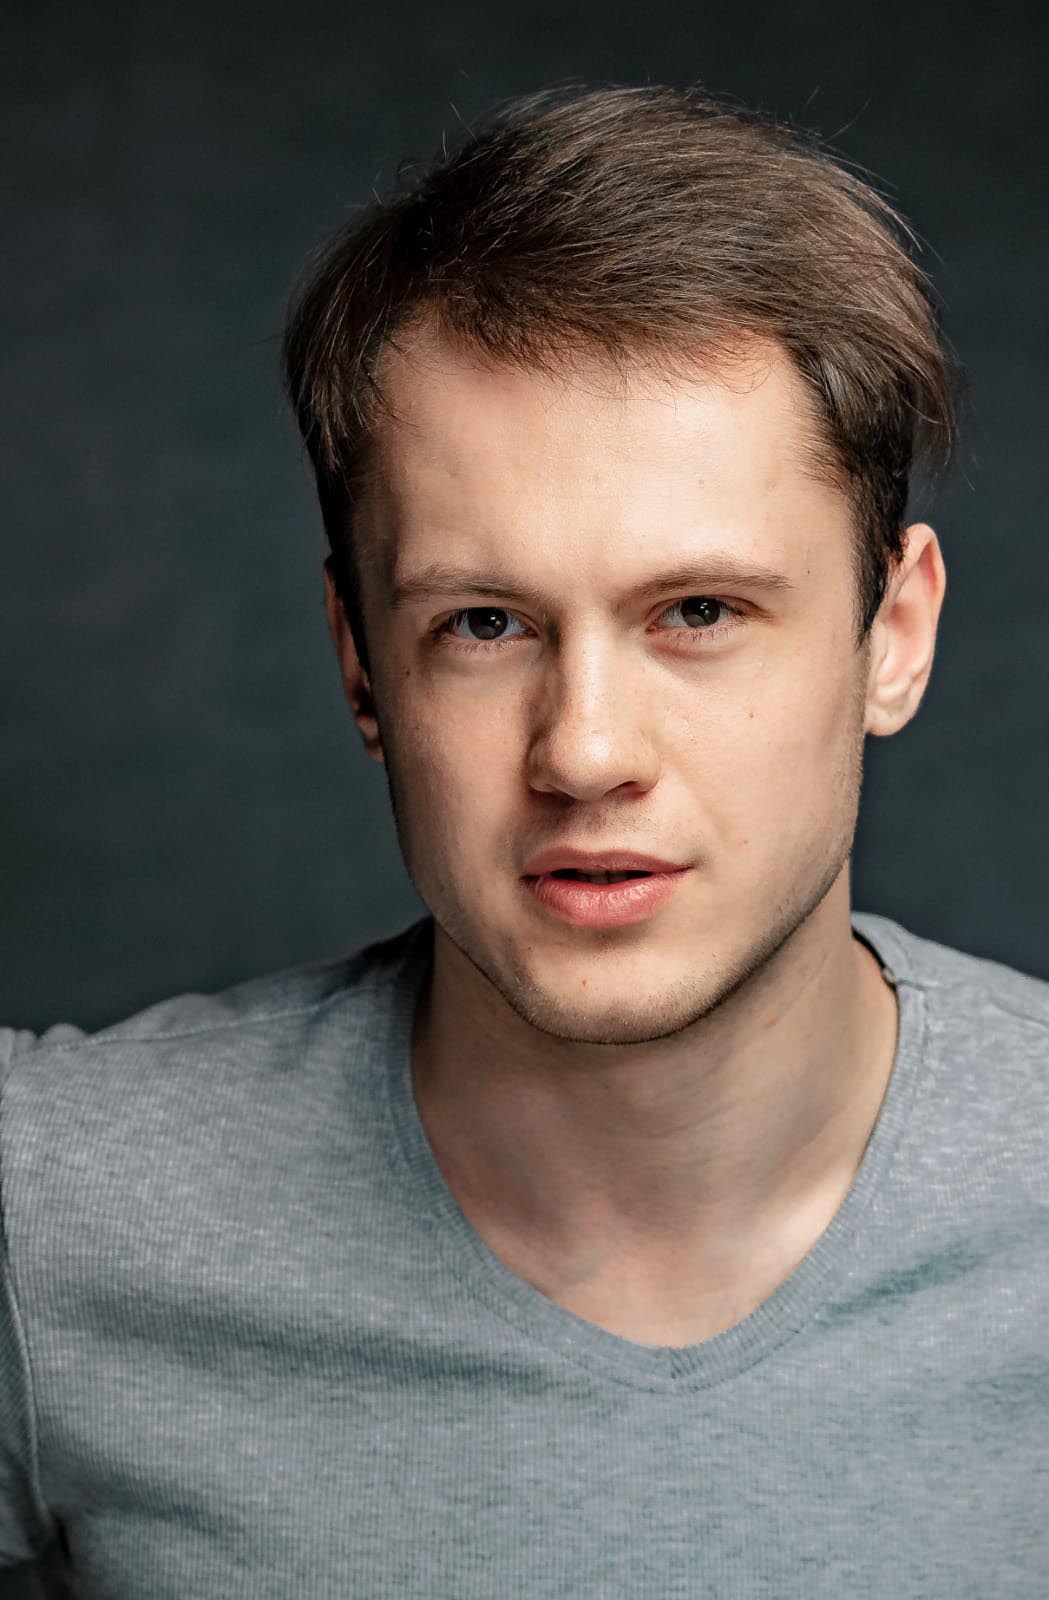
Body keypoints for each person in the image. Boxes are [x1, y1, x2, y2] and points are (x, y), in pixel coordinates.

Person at [2, 83, 1046, 1600]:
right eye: (484, 625)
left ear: (893, 636)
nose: (585, 752)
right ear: (361, 664)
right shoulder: (47, 1214)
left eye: (700, 612)